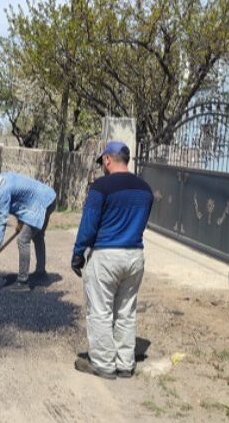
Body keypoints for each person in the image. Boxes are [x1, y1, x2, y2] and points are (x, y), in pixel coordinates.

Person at [71, 141, 153, 379]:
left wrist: (78, 253)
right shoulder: (145, 189)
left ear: (108, 159)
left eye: (102, 162)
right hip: (135, 255)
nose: (102, 167)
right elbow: (143, 222)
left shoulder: (101, 187)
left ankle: (104, 364)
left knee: (100, 310)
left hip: (107, 255)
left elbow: (89, 223)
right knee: (126, 310)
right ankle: (125, 364)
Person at [0, 170, 57, 292]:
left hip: (42, 203)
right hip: (48, 198)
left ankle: (23, 281)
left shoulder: (2, 192)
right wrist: (20, 222)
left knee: (23, 240)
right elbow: (21, 200)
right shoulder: (3, 180)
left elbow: (1, 220)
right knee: (38, 236)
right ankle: (41, 273)